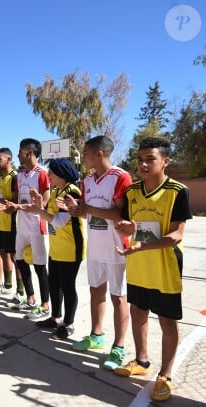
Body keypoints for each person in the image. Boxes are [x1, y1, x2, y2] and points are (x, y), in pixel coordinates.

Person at [112, 137, 191, 402]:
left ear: (165, 161)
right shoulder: (132, 191)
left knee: (167, 320)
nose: (143, 164)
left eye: (150, 159)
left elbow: (177, 234)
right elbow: (135, 224)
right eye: (140, 159)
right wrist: (128, 229)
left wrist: (142, 245)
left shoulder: (177, 191)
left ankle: (165, 374)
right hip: (138, 264)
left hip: (164, 266)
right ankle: (142, 361)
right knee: (138, 312)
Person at [66, 135, 132, 371]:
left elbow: (120, 215)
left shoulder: (121, 177)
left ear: (100, 154)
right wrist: (76, 211)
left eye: (86, 153)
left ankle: (119, 346)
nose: (83, 157)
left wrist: (88, 208)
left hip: (116, 247)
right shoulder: (87, 180)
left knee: (119, 296)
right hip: (94, 246)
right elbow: (87, 213)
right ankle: (97, 335)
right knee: (96, 291)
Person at [20, 158, 85, 339]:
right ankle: (55, 317)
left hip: (71, 248)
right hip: (57, 246)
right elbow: (49, 215)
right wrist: (39, 203)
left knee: (68, 286)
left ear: (62, 174)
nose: (49, 175)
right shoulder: (56, 190)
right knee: (55, 285)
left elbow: (60, 221)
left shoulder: (72, 190)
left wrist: (37, 211)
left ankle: (69, 323)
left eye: (52, 173)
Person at [8, 139, 51, 321]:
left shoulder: (42, 173)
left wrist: (34, 204)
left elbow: (46, 200)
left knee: (40, 266)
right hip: (22, 224)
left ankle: (45, 305)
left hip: (37, 224)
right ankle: (31, 298)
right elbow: (18, 199)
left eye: (20, 152)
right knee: (20, 260)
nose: (18, 155)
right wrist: (13, 206)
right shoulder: (20, 175)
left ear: (29, 152)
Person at [0, 148, 24, 300]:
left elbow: (16, 202)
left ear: (9, 159)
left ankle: (21, 290)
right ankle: (8, 285)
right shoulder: (0, 179)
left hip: (12, 224)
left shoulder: (15, 177)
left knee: (16, 257)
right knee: (3, 254)